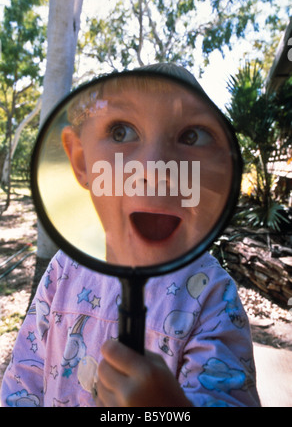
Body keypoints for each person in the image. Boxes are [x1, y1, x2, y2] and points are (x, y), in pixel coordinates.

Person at [1, 63, 260, 407]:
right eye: (121, 132)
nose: (155, 168)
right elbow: (23, 381)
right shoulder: (63, 269)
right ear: (81, 161)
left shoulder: (213, 297)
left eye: (191, 135)